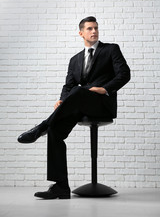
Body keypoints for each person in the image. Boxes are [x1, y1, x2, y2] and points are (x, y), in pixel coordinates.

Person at [18, 16, 130, 199]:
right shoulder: (75, 59)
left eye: (96, 28)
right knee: (56, 130)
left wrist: (105, 88)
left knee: (78, 92)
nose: (94, 31)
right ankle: (60, 187)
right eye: (89, 29)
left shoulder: (110, 49)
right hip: (78, 106)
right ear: (81, 33)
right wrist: (62, 100)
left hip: (101, 105)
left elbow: (124, 73)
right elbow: (68, 86)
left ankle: (41, 127)